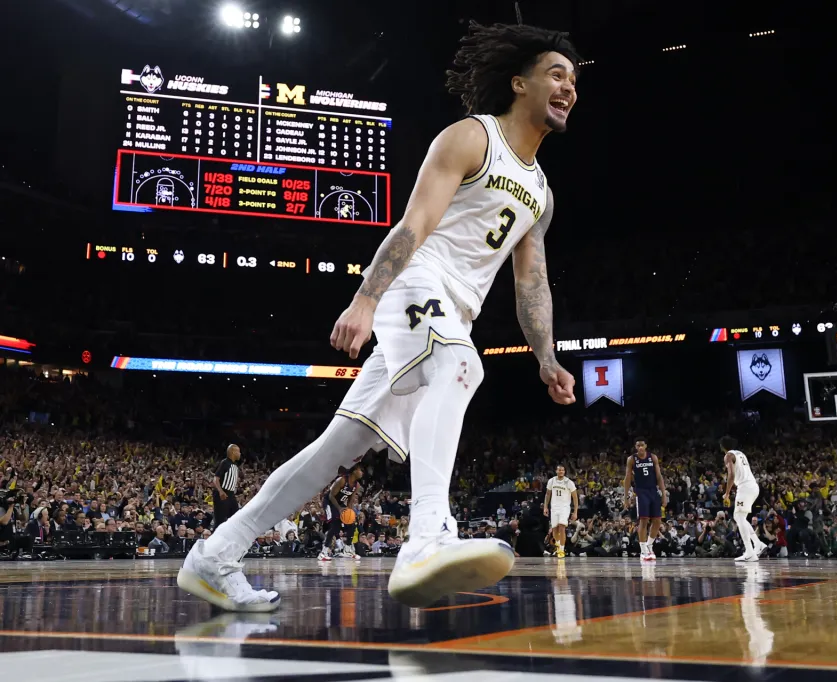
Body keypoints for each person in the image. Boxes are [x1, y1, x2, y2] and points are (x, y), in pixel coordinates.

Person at [177, 21, 580, 611]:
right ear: (520, 84)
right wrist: (367, 297)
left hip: (452, 313)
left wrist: (546, 357)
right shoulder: (472, 138)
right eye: (556, 74)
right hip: (416, 281)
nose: (568, 86)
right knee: (462, 369)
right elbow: (412, 224)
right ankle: (426, 538)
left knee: (339, 445)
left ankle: (216, 553)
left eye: (574, 79)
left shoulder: (539, 191)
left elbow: (532, 281)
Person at [721, 436, 767, 562]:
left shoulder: (728, 456)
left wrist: (727, 493)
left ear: (722, 446)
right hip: (752, 486)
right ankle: (757, 544)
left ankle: (750, 552)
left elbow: (731, 475)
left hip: (745, 487)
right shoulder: (740, 453)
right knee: (739, 518)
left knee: (739, 517)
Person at [622, 438, 667, 562]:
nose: (640, 447)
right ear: (636, 447)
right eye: (638, 445)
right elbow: (627, 478)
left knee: (657, 520)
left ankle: (649, 544)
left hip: (653, 490)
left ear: (646, 446)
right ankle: (643, 550)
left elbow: (659, 476)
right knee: (644, 520)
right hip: (641, 491)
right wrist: (626, 497)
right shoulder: (631, 459)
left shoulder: (653, 457)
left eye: (642, 445)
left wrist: (664, 494)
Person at [318, 464, 363, 562]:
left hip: (340, 503)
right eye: (360, 470)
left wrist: (350, 512)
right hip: (329, 502)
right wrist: (339, 508)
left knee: (353, 523)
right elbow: (330, 496)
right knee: (335, 527)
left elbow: (350, 500)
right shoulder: (341, 480)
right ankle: (323, 552)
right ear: (354, 471)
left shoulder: (357, 485)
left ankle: (347, 550)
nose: (362, 473)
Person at [543, 465, 578, 558]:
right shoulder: (551, 481)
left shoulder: (569, 482)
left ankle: (562, 550)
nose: (561, 471)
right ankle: (558, 546)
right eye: (559, 470)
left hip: (564, 507)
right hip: (554, 507)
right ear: (556, 471)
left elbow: (575, 497)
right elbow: (547, 494)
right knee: (555, 529)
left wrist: (575, 512)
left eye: (563, 470)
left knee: (562, 527)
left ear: (565, 471)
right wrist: (545, 507)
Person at [212, 444, 241, 529]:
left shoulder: (234, 465)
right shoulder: (225, 462)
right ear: (233, 452)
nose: (240, 454)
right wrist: (220, 491)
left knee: (236, 517)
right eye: (238, 451)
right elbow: (216, 478)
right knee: (220, 520)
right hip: (222, 493)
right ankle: (214, 539)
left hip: (231, 494)